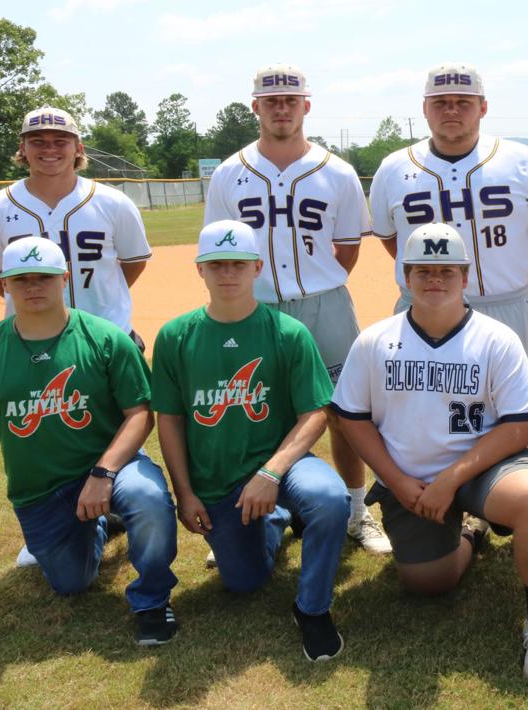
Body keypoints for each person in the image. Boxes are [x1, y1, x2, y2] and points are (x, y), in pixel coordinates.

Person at [331, 223, 528, 679]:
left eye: (446, 270)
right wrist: (397, 482)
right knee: (427, 583)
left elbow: (523, 424)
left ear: (465, 276)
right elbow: (352, 419)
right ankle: (472, 533)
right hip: (412, 480)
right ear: (406, 276)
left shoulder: (496, 338)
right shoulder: (375, 341)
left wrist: (451, 479)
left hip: (484, 471)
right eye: (424, 270)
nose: (435, 279)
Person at [0, 237, 179, 646]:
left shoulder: (105, 338)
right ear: (4, 284)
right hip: (41, 488)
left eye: (44, 277)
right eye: (22, 279)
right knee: (71, 582)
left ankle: (152, 602)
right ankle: (101, 523)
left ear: (65, 279)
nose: (33, 286)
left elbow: (140, 414)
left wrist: (103, 473)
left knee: (148, 498)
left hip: (111, 468)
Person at [204, 64, 389, 555]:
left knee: (345, 411)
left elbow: (347, 249)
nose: (281, 109)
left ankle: (356, 510)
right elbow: (219, 249)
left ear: (306, 105)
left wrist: (316, 282)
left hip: (325, 303)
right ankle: (242, 512)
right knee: (248, 410)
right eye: (271, 101)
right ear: (256, 107)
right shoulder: (229, 173)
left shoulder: (337, 171)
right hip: (256, 308)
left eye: (290, 100)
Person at [151, 220, 351, 662]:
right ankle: (275, 519)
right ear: (199, 270)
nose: (228, 274)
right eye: (217, 265)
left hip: (283, 465)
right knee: (244, 581)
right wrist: (185, 494)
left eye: (238, 264)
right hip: (217, 478)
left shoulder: (287, 332)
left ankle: (313, 609)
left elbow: (316, 413)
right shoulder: (175, 337)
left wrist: (270, 473)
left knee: (329, 498)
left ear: (257, 268)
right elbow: (170, 420)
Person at [0, 106, 155, 568]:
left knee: (123, 422)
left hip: (107, 337)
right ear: (22, 149)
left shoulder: (113, 203)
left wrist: (98, 316)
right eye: (38, 141)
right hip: (34, 341)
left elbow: (132, 264)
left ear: (78, 148)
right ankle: (51, 522)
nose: (49, 149)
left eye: (59, 140)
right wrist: (38, 307)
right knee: (45, 431)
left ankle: (120, 502)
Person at [369, 62, 528, 379]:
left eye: (463, 102)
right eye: (440, 102)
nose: (451, 110)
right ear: (425, 108)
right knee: (418, 402)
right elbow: (392, 239)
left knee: (513, 402)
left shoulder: (522, 161)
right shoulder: (393, 168)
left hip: (506, 305)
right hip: (422, 308)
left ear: (483, 107)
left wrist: (508, 262)